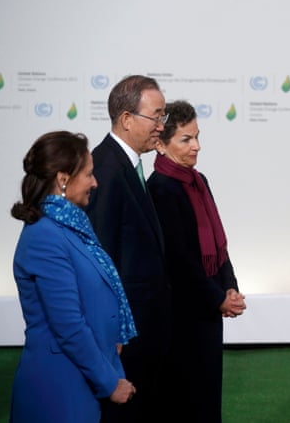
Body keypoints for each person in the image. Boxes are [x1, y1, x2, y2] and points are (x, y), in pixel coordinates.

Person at [10, 131, 137, 422]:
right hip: (58, 388)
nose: (95, 182)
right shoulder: (45, 236)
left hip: (79, 379)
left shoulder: (72, 229)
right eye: (89, 174)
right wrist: (109, 382)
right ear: (63, 179)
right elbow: (68, 325)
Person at [147, 100, 246, 422]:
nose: (197, 146)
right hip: (181, 316)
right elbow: (179, 259)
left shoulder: (199, 181)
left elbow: (219, 243)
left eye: (197, 137)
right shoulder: (160, 189)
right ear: (160, 144)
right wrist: (218, 298)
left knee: (206, 399)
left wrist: (229, 287)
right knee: (184, 401)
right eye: (186, 140)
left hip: (207, 310)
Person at [86, 75, 173, 422]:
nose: (161, 126)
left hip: (142, 332)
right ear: (126, 119)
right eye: (156, 117)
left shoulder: (128, 164)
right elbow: (101, 259)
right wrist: (112, 332)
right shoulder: (105, 169)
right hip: (125, 337)